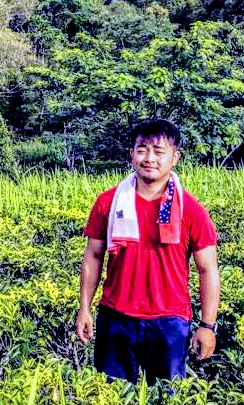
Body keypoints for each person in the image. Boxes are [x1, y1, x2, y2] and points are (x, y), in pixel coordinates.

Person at [75, 118, 221, 384]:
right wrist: (84, 308)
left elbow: (208, 269)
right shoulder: (108, 202)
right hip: (116, 317)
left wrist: (207, 325)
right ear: (131, 153)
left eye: (159, 151)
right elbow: (93, 256)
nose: (149, 158)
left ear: (175, 157)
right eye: (142, 149)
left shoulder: (191, 209)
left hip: (170, 323)